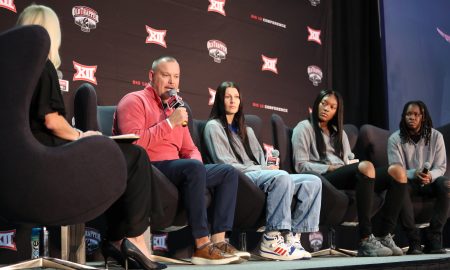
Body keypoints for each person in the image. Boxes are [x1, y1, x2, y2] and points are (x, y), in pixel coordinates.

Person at [17, 4, 165, 270]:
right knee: (134, 155)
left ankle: (119, 242)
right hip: (47, 161)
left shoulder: (12, 68)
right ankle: (129, 240)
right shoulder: (43, 64)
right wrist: (83, 135)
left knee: (126, 157)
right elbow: (51, 121)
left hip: (18, 167)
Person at [113, 56, 247, 265]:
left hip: (178, 169)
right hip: (149, 169)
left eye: (176, 77)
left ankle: (218, 241)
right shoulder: (134, 100)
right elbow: (133, 147)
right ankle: (201, 246)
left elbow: (189, 148)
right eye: (166, 75)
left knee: (227, 172)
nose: (172, 82)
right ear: (151, 76)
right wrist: (169, 123)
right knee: (192, 168)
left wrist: (198, 167)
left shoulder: (176, 108)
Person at [203, 81, 322, 260]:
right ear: (220, 100)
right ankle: (271, 239)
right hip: (238, 176)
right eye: (228, 97)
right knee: (281, 177)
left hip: (257, 173)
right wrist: (264, 169)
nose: (233, 101)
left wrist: (269, 166)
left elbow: (259, 160)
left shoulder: (247, 130)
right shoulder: (214, 126)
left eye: (236, 97)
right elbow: (225, 163)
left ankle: (293, 237)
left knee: (312, 182)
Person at [292, 89, 408, 257]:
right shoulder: (304, 128)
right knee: (366, 166)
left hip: (344, 173)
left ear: (336, 112)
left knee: (398, 172)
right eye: (324, 103)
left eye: (332, 107)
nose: (326, 109)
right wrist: (330, 168)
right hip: (324, 177)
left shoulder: (340, 134)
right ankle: (365, 238)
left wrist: (349, 166)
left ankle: (384, 235)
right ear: (317, 103)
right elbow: (300, 165)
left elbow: (347, 162)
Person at [388, 100, 449, 254]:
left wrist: (430, 177)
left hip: (431, 181)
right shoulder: (395, 139)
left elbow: (441, 167)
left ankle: (434, 238)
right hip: (408, 181)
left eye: (416, 114)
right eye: (409, 114)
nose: (412, 117)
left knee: (446, 184)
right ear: (403, 117)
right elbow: (395, 169)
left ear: (423, 117)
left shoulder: (436, 137)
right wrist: (412, 173)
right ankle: (413, 240)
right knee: (400, 188)